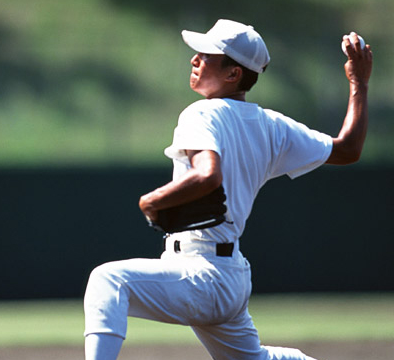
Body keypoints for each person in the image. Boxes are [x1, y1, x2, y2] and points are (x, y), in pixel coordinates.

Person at [83, 19, 373, 360]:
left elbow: (208, 176)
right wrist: (359, 83)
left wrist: (152, 199)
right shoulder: (272, 125)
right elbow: (348, 149)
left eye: (206, 55)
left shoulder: (201, 113)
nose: (194, 60)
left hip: (200, 272)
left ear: (233, 74)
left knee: (109, 281)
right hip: (229, 275)